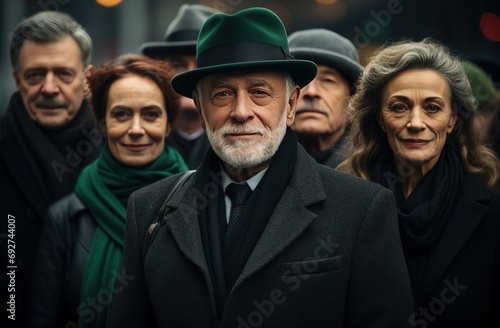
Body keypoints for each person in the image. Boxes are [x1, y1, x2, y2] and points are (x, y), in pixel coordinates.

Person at [110, 8, 414, 327]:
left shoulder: (362, 210)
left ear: (291, 104)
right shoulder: (148, 209)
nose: (241, 112)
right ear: (200, 109)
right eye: (223, 94)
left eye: (259, 92)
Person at [337, 38, 500, 327]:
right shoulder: (346, 206)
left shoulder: (491, 213)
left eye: (433, 108)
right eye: (399, 107)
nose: (415, 121)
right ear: (380, 119)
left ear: (452, 120)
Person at [27, 54, 188, 327]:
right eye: (121, 114)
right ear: (103, 124)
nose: (136, 129)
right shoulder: (66, 218)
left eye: (150, 114)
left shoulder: (199, 203)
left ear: (169, 124)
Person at [0, 11, 100, 326]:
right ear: (17, 79)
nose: (49, 87)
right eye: (35, 75)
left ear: (87, 80)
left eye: (64, 74)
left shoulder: (121, 151)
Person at [140, 4, 217, 169]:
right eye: (178, 65)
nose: (189, 74)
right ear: (162, 72)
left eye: (200, 65)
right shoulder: (140, 138)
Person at [288, 28, 363, 167]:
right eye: (299, 80)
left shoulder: (373, 169)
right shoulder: (253, 168)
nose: (311, 92)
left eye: (328, 80)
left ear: (352, 100)